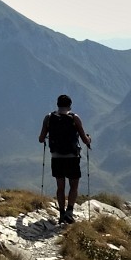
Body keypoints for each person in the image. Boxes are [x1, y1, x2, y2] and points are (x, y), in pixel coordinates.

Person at [39, 94, 92, 223]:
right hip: (72, 157)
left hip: (56, 157)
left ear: (57, 104)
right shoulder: (74, 118)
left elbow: (41, 139)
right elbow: (84, 139)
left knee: (60, 187)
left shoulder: (49, 117)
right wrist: (89, 139)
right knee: (73, 186)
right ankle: (70, 211)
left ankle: (62, 214)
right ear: (70, 105)